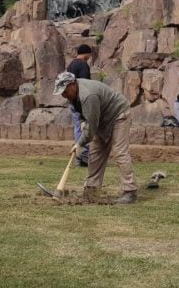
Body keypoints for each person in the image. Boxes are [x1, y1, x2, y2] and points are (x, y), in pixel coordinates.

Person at [54, 71, 138, 204]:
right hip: (103, 118)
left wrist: (80, 144)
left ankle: (130, 191)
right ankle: (91, 191)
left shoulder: (88, 95)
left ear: (72, 84)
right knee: (95, 154)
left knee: (119, 152)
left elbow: (92, 127)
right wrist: (82, 123)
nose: (64, 95)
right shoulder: (73, 96)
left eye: (64, 91)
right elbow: (81, 112)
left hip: (118, 114)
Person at [67, 45, 93, 167]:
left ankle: (79, 154)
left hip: (72, 100)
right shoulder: (83, 65)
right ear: (86, 54)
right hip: (81, 100)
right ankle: (84, 155)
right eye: (90, 55)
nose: (90, 57)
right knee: (85, 127)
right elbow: (84, 84)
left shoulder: (71, 64)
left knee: (78, 128)